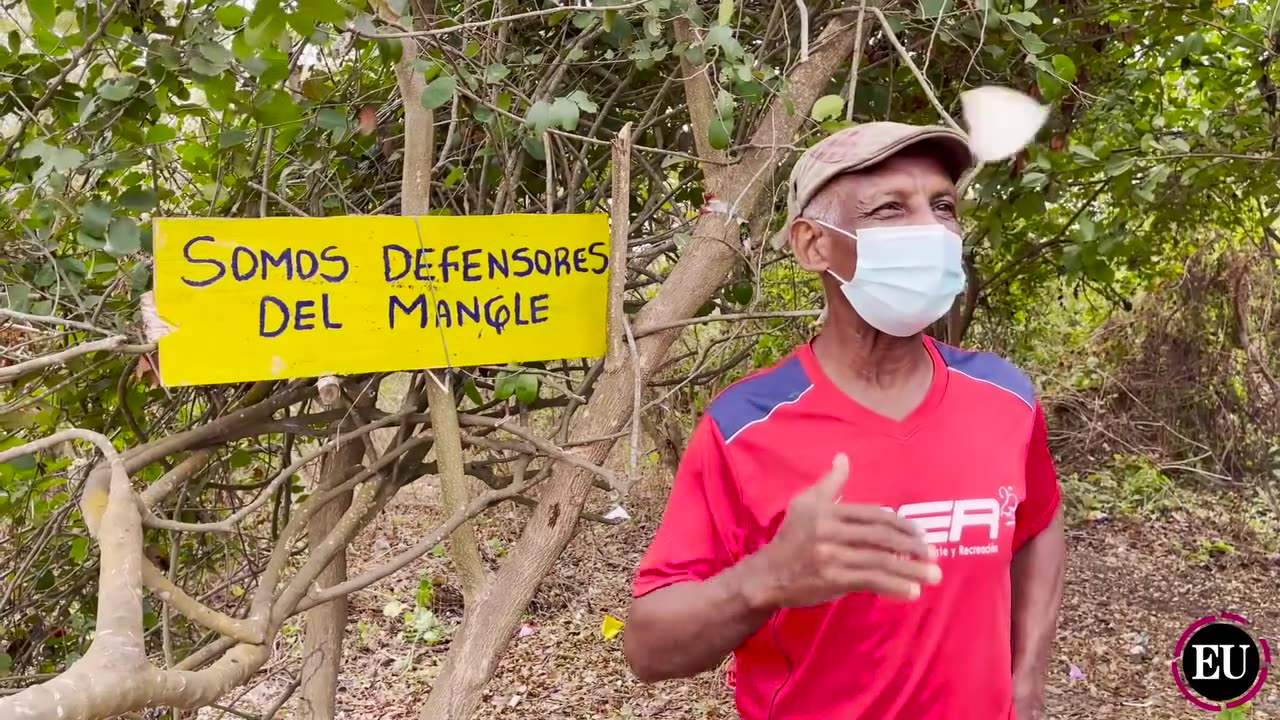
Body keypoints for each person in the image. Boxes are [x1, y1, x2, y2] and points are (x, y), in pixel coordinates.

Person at [622, 122, 1067, 720]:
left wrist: (1027, 678)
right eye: (890, 209)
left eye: (943, 206)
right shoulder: (746, 425)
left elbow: (1038, 521)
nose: (932, 230)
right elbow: (648, 647)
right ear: (813, 245)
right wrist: (766, 578)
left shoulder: (1004, 396)